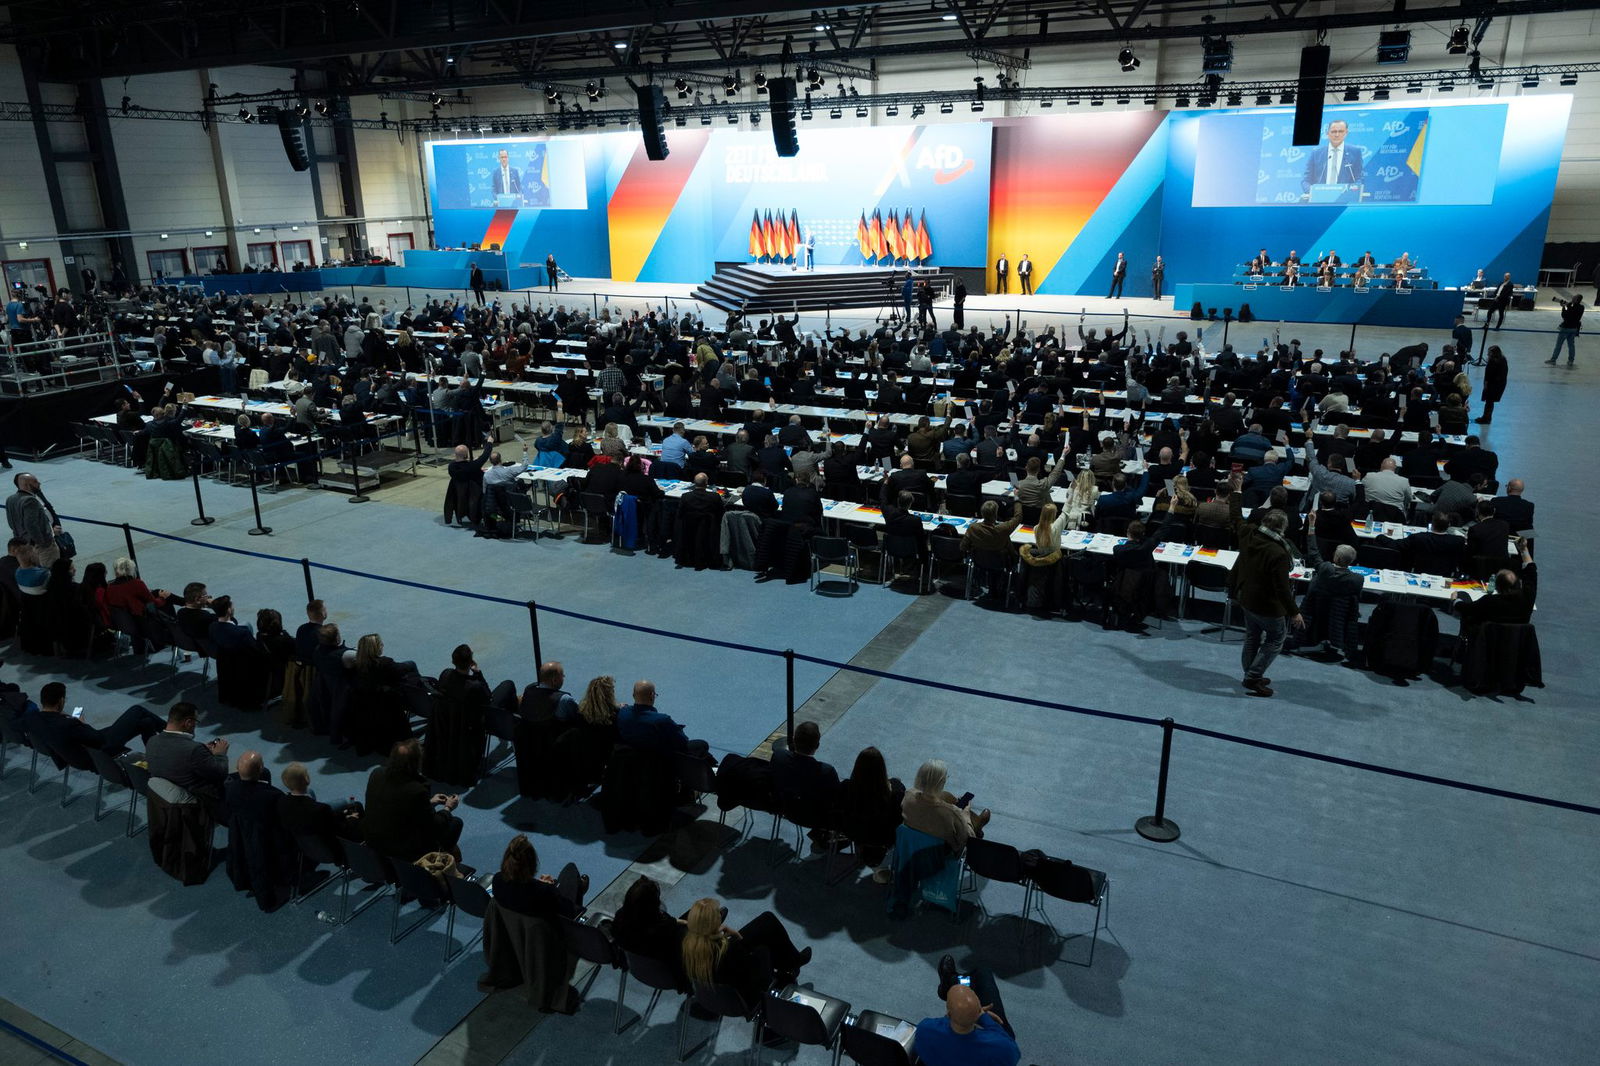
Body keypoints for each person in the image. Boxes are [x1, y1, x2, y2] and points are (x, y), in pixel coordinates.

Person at [1227, 473, 1304, 697]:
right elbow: (1281, 588)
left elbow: (1235, 517)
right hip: (1267, 605)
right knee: (1275, 640)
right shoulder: (1279, 553)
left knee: (1252, 636)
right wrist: (1294, 612)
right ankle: (1253, 677)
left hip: (1245, 597)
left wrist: (1237, 491)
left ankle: (1250, 673)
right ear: (1282, 528)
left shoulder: (1249, 533)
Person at [680, 896, 811, 1002]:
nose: (721, 913)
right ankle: (791, 964)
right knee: (765, 944)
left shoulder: (687, 944)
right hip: (743, 996)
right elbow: (753, 966)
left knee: (765, 921)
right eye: (718, 913)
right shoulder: (729, 950)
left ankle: (792, 962)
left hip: (714, 994)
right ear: (714, 924)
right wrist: (737, 937)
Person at [362, 738, 463, 861]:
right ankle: (443, 865)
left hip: (372, 841)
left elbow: (396, 804)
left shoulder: (377, 773)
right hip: (400, 850)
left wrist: (429, 802)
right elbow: (434, 826)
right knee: (455, 823)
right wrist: (448, 808)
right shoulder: (417, 789)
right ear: (416, 763)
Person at [24, 682, 164, 762]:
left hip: (83, 749)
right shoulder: (68, 725)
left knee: (146, 722)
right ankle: (174, 732)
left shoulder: (35, 719)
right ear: (61, 701)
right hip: (101, 749)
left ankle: (156, 759)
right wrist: (80, 723)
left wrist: (66, 718)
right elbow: (96, 738)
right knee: (137, 710)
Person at [915, 962, 1020, 1066]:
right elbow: (1014, 1056)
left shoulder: (925, 1030)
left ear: (948, 1013)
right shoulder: (1003, 1049)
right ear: (979, 1010)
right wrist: (983, 1017)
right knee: (983, 972)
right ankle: (952, 981)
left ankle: (949, 983)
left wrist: (959, 1015)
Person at [901, 758, 989, 856]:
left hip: (910, 851)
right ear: (942, 782)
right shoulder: (952, 813)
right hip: (938, 861)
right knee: (979, 831)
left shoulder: (908, 796)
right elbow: (968, 838)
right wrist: (966, 816)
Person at [491, 834, 589, 920]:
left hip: (515, 929)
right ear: (532, 865)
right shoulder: (544, 891)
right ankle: (578, 889)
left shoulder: (497, 880)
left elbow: (521, 889)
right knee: (570, 870)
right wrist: (551, 888)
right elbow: (569, 912)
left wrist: (538, 884)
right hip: (549, 932)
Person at [144, 701, 229, 801]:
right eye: (196, 721)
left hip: (166, 801)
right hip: (202, 803)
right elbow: (220, 774)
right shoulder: (194, 750)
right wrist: (220, 754)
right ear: (188, 723)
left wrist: (203, 752)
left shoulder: (152, 741)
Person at [771, 720, 840, 833]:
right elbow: (836, 801)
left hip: (785, 810)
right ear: (817, 746)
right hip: (817, 820)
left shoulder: (779, 756)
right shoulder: (826, 772)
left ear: (793, 741)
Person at [617, 679, 709, 758]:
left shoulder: (622, 713)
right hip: (659, 762)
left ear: (633, 695)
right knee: (701, 745)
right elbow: (683, 742)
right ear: (652, 696)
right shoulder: (662, 720)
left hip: (632, 760)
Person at [277, 761, 364, 843]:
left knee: (351, 806)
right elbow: (340, 829)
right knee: (356, 805)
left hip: (305, 842)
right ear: (307, 780)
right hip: (332, 843)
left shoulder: (281, 801)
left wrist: (341, 814)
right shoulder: (321, 809)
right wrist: (352, 818)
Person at [5, 472, 62, 568]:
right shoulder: (30, 500)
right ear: (27, 485)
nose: (39, 483)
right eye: (35, 481)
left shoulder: (10, 499)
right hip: (41, 546)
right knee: (49, 570)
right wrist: (43, 544)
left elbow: (11, 523)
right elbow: (31, 525)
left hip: (24, 542)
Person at [1302, 119, 1364, 193]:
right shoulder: (1316, 153)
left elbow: (1359, 178)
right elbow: (1306, 180)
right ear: (1327, 133)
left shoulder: (1355, 152)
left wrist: (1352, 192)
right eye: (1333, 132)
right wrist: (1312, 192)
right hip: (1320, 199)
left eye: (1340, 131)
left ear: (1346, 133)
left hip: (1343, 198)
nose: (1337, 135)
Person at [1548, 292, 1584, 366]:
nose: (1572, 298)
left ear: (1576, 300)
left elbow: (1564, 316)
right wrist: (1568, 305)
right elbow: (1573, 307)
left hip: (1566, 328)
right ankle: (1571, 361)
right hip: (1574, 328)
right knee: (1571, 345)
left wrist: (1564, 307)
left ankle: (1553, 359)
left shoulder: (1570, 307)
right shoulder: (1581, 307)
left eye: (1574, 297)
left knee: (1558, 345)